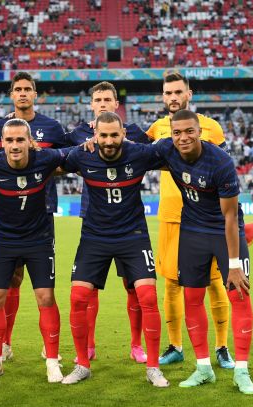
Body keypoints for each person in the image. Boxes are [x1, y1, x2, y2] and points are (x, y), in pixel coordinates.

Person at [153, 110, 253, 395]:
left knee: (239, 294)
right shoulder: (167, 150)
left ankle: (242, 371)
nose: (183, 137)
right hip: (192, 232)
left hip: (225, 233)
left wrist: (234, 263)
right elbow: (135, 153)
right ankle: (203, 369)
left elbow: (230, 217)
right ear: (171, 135)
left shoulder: (221, 162)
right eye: (177, 133)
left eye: (189, 131)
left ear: (200, 131)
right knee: (192, 298)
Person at [147, 73, 247, 369]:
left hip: (205, 218)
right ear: (163, 97)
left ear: (189, 93)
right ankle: (176, 345)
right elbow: (136, 154)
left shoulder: (211, 128)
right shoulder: (156, 129)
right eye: (168, 92)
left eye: (178, 91)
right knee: (173, 283)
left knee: (217, 281)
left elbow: (222, 172)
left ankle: (221, 347)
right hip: (170, 215)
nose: (173, 97)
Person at [60, 112, 168, 387]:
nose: (108, 141)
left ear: (123, 133)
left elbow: (174, 154)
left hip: (133, 235)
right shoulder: (81, 154)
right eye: (103, 135)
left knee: (147, 295)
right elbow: (51, 161)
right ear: (95, 134)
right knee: (77, 297)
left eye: (114, 135)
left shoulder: (139, 153)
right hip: (95, 236)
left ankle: (153, 367)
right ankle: (82, 364)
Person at [0, 118, 70, 383]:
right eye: (10, 140)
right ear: (2, 143)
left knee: (45, 297)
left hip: (39, 240)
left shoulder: (46, 159)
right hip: (4, 241)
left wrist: (92, 142)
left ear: (31, 142)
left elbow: (75, 157)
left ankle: (52, 362)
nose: (15, 145)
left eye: (20, 140)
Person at [65, 81, 150, 365]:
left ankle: (136, 345)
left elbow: (157, 155)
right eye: (97, 99)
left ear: (116, 104)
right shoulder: (78, 134)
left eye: (107, 99)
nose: (102, 103)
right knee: (89, 288)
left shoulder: (135, 134)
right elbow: (60, 159)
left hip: (128, 218)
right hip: (93, 215)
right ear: (91, 105)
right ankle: (88, 346)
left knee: (133, 285)